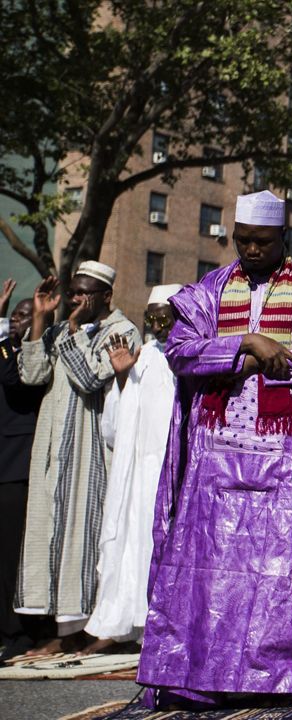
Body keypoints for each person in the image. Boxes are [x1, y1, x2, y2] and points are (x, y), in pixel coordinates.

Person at [137, 190, 292, 707]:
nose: (251, 250)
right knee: (210, 567)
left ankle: (281, 679)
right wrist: (246, 345)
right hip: (213, 456)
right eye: (243, 241)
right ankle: (201, 677)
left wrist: (278, 354)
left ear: (284, 238)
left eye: (262, 241)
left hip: (287, 455)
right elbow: (181, 353)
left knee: (278, 568)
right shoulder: (210, 291)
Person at [16, 261, 140, 655]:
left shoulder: (121, 332)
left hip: (91, 454)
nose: (77, 299)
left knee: (84, 539)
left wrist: (71, 332)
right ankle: (64, 630)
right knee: (51, 535)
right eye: (73, 292)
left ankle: (91, 628)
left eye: (85, 292)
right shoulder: (57, 330)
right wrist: (40, 320)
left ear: (106, 296)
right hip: (53, 449)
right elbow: (32, 375)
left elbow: (90, 379)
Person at [83, 285, 182, 652]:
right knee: (130, 544)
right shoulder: (141, 356)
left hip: (173, 469)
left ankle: (160, 628)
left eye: (164, 317)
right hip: (137, 474)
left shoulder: (189, 356)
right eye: (151, 317)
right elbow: (114, 428)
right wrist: (123, 376)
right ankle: (124, 623)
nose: (157, 325)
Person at [0, 282, 47, 657]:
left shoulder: (32, 354)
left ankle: (16, 633)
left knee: (9, 554)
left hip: (17, 464)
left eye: (22, 316)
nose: (16, 321)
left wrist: (1, 325)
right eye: (13, 315)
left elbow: (15, 379)